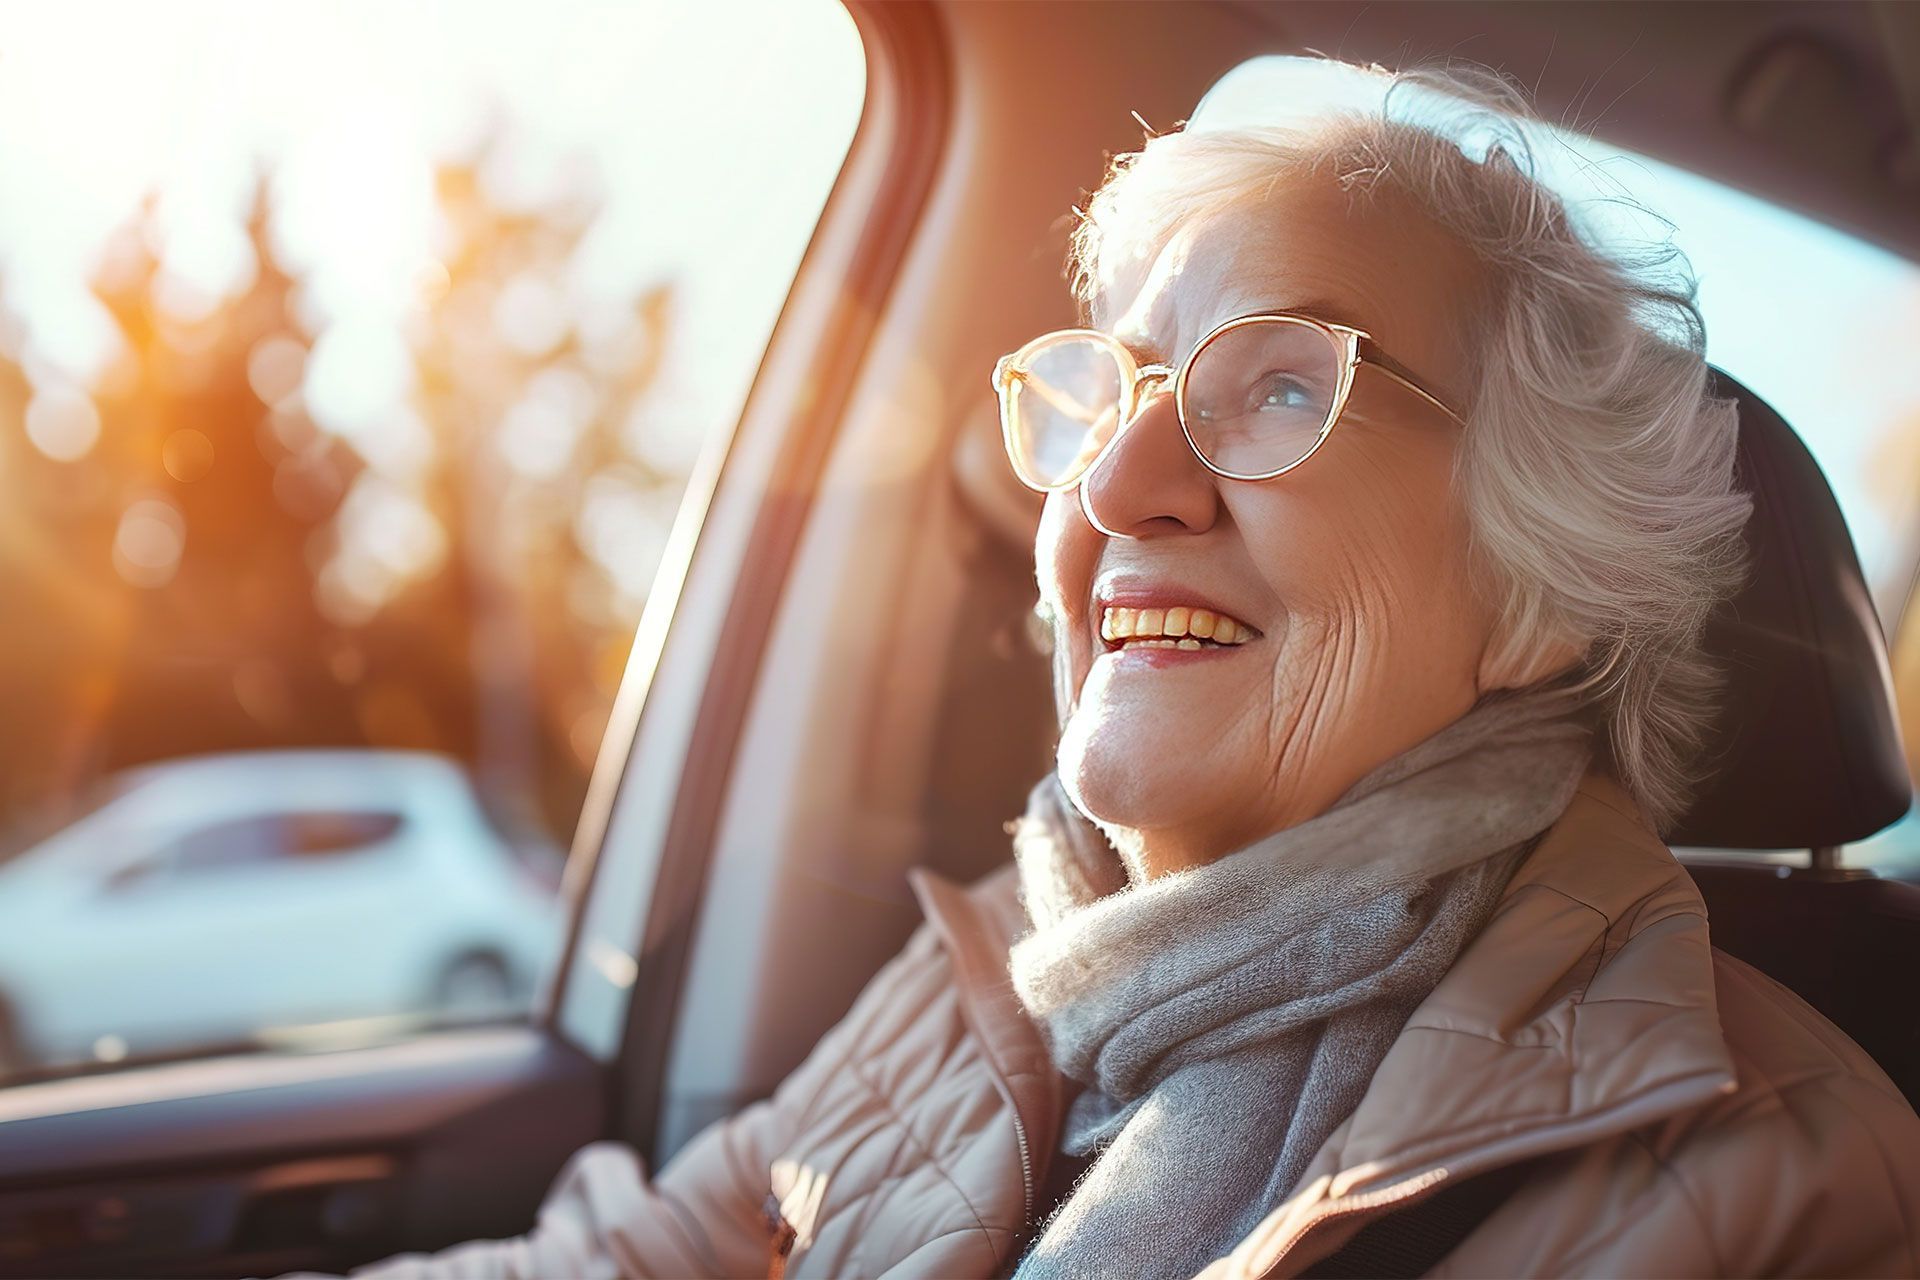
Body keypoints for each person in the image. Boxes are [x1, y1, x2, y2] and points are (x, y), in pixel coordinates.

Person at [333, 62, 1920, 1279]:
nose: (1113, 484)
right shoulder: (984, 988)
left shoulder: (1777, 1182)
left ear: (1533, 589)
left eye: (1280, 386)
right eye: (1116, 397)